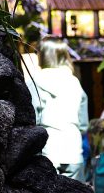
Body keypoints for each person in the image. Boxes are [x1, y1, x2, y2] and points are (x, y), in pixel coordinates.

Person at [29, 36, 90, 181]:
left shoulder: (34, 81)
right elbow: (83, 124)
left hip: (47, 151)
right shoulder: (74, 82)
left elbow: (32, 118)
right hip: (73, 149)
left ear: (42, 55)